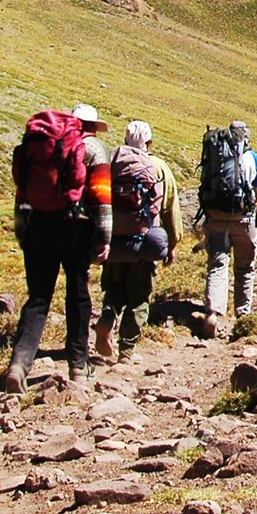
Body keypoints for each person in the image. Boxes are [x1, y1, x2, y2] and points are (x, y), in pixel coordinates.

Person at [5, 103, 112, 391]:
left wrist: (22, 231)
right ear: (91, 127)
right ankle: (78, 364)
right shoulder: (93, 149)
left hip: (37, 226)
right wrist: (104, 239)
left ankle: (19, 363)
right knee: (78, 294)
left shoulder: (36, 149)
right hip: (75, 228)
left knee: (38, 297)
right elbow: (102, 198)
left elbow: (22, 194)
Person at [94, 120, 177, 361]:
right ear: (149, 143)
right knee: (139, 298)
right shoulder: (158, 167)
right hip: (143, 244)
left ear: (125, 140)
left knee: (114, 287)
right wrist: (171, 244)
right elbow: (170, 209)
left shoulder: (111, 163)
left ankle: (107, 318)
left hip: (112, 241)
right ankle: (126, 351)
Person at [196, 119, 257, 338]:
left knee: (218, 263)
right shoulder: (252, 157)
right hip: (243, 219)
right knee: (245, 267)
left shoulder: (217, 154)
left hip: (215, 216)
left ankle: (213, 313)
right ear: (245, 137)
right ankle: (243, 315)